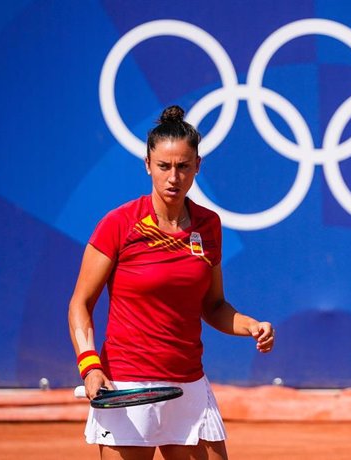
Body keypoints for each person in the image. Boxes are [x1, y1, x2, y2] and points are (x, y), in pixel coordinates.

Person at [68, 105, 274, 460]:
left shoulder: (208, 225)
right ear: (147, 165)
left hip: (188, 384)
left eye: (183, 166)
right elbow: (80, 304)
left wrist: (250, 326)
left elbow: (213, 305)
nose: (173, 177)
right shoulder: (118, 224)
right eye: (164, 166)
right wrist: (90, 366)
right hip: (127, 384)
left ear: (197, 166)